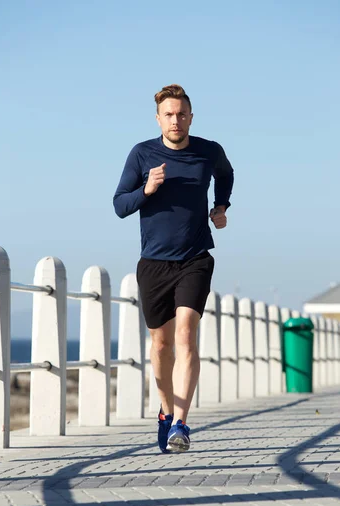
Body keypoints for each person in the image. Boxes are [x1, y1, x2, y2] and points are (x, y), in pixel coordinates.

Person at [113, 84, 234, 453]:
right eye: (169, 114)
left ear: (191, 117)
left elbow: (226, 174)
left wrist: (221, 206)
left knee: (185, 336)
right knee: (161, 344)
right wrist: (146, 189)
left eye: (182, 114)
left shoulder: (208, 151)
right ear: (158, 119)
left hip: (195, 258)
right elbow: (120, 205)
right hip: (153, 264)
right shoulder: (142, 154)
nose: (176, 120)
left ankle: (181, 423)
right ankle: (166, 412)